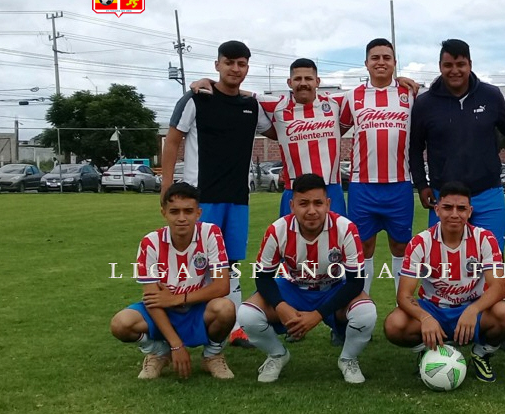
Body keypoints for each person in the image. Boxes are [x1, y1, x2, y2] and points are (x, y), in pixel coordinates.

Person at [166, 40, 274, 347]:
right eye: (229, 62)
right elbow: (172, 141)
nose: (235, 69)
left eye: (241, 64)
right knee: (198, 262)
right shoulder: (196, 99)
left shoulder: (251, 106)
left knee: (231, 263)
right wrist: (167, 189)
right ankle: (189, 323)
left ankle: (235, 328)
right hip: (202, 197)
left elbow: (279, 129)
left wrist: (257, 96)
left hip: (238, 198)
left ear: (247, 68)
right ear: (217, 65)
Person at [234, 173, 377, 384]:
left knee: (366, 312)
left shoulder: (345, 228)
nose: (311, 211)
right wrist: (281, 305)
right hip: (292, 289)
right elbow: (263, 277)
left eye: (318, 203)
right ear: (292, 205)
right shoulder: (277, 230)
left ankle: (348, 359)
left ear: (328, 204)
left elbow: (356, 282)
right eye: (303, 203)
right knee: (247, 315)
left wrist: (317, 315)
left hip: (333, 288)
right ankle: (277, 354)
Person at [384, 181, 505, 383]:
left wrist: (473, 310)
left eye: (461, 208)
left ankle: (481, 353)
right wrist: (425, 318)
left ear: (470, 212)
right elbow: (403, 295)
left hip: (473, 307)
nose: (454, 214)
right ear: (437, 210)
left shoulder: (485, 239)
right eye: (447, 207)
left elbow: (498, 287)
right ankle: (428, 352)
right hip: (434, 309)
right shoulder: (420, 242)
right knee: (394, 324)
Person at [109, 182, 236, 380]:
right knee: (120, 324)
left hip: (197, 309)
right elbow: (152, 300)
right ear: (164, 213)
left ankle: (212, 355)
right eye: (175, 211)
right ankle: (159, 352)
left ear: (198, 213)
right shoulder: (150, 242)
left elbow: (222, 286)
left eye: (188, 211)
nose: (182, 218)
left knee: (226, 309)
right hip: (163, 311)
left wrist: (177, 298)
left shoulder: (211, 233)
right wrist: (176, 345)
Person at [409, 39, 505, 251]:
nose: (455, 71)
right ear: (440, 66)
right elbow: (414, 149)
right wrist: (422, 185)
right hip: (444, 196)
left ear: (470, 64)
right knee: (442, 261)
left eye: (460, 64)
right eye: (448, 65)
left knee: (492, 261)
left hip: (488, 193)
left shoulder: (491, 95)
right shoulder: (425, 103)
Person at [339, 38, 416, 295]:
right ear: (366, 63)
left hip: (399, 184)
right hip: (363, 185)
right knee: (363, 247)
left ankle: (403, 306)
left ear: (394, 62)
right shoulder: (352, 97)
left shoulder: (410, 94)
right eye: (375, 58)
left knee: (401, 246)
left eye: (386, 58)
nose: (381, 62)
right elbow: (334, 128)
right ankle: (361, 306)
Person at [260, 58, 346, 217]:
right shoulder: (277, 106)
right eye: (298, 79)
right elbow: (240, 93)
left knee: (336, 233)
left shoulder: (335, 102)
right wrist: (212, 83)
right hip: (293, 189)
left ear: (317, 81)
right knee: (290, 233)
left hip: (331, 188)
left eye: (308, 78)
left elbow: (367, 93)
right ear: (289, 82)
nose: (303, 83)